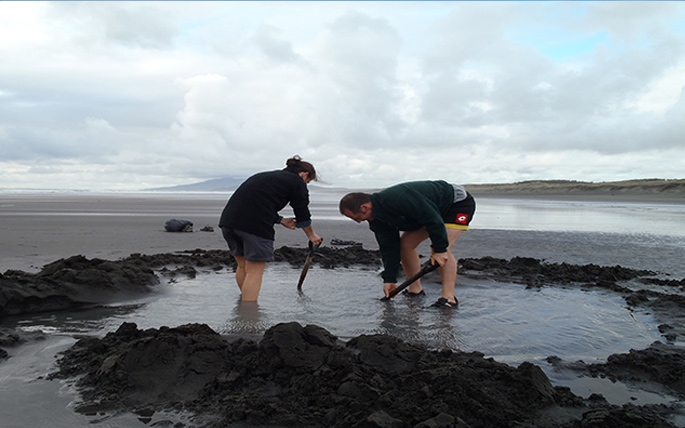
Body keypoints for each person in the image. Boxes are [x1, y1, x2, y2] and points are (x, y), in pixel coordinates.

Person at [339, 180, 475, 308]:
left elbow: (432, 218)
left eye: (357, 218)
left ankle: (448, 298)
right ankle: (415, 289)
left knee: (441, 249)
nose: (358, 222)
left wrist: (440, 250)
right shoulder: (376, 219)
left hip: (456, 203)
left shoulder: (398, 199)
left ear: (365, 207)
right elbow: (389, 248)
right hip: (430, 211)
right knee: (405, 246)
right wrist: (389, 279)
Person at [219, 156, 323, 302]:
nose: (306, 184)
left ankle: (242, 308)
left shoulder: (267, 177)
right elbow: (302, 212)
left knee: (242, 266)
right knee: (255, 271)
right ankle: (249, 314)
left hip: (229, 222)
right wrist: (311, 235)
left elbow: (256, 203)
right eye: (308, 181)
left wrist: (280, 220)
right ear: (305, 174)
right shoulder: (296, 182)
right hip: (254, 226)